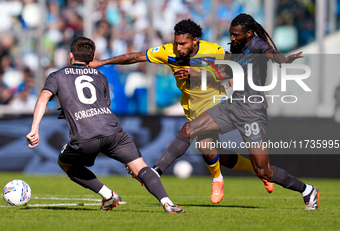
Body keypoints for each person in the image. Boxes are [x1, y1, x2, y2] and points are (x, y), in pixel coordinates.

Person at [89, 19, 274, 204]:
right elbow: (135, 57)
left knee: (203, 141)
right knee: (218, 155)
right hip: (191, 106)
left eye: (182, 43)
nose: (178, 47)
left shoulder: (214, 50)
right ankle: (259, 171)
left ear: (195, 40)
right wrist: (102, 62)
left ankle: (214, 179)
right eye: (176, 42)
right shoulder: (167, 51)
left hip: (216, 103)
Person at [169, 13, 320, 209]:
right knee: (189, 129)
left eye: (236, 35)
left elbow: (270, 53)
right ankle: (156, 172)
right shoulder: (236, 47)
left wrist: (281, 60)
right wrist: (198, 73)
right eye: (231, 34)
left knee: (263, 170)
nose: (232, 38)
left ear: (249, 33)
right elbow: (225, 72)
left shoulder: (256, 44)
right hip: (232, 106)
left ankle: (307, 190)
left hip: (252, 111)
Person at [26, 37, 185, 213]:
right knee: (141, 167)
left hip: (86, 136)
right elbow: (101, 105)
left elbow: (43, 99)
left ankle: (109, 195)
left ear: (71, 55)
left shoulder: (57, 76)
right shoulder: (101, 77)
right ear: (91, 58)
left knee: (65, 164)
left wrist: (34, 129)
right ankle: (168, 203)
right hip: (113, 132)